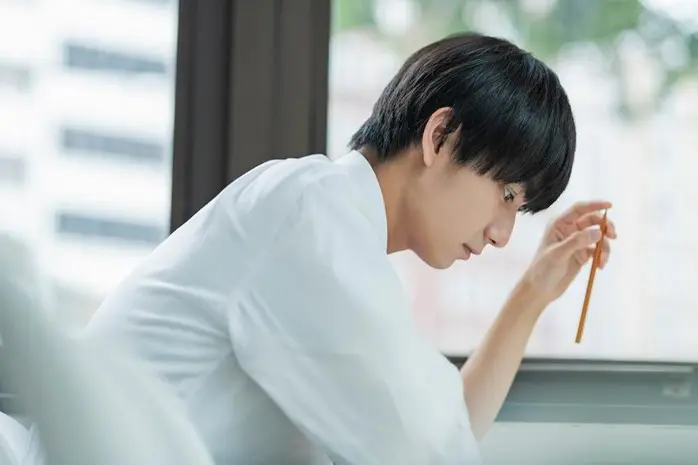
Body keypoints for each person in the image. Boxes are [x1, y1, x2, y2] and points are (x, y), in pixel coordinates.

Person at [80, 32, 615, 465]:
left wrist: (534, 292)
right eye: (506, 195)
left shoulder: (323, 216)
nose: (502, 234)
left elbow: (440, 430)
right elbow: (428, 451)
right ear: (441, 137)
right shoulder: (310, 219)